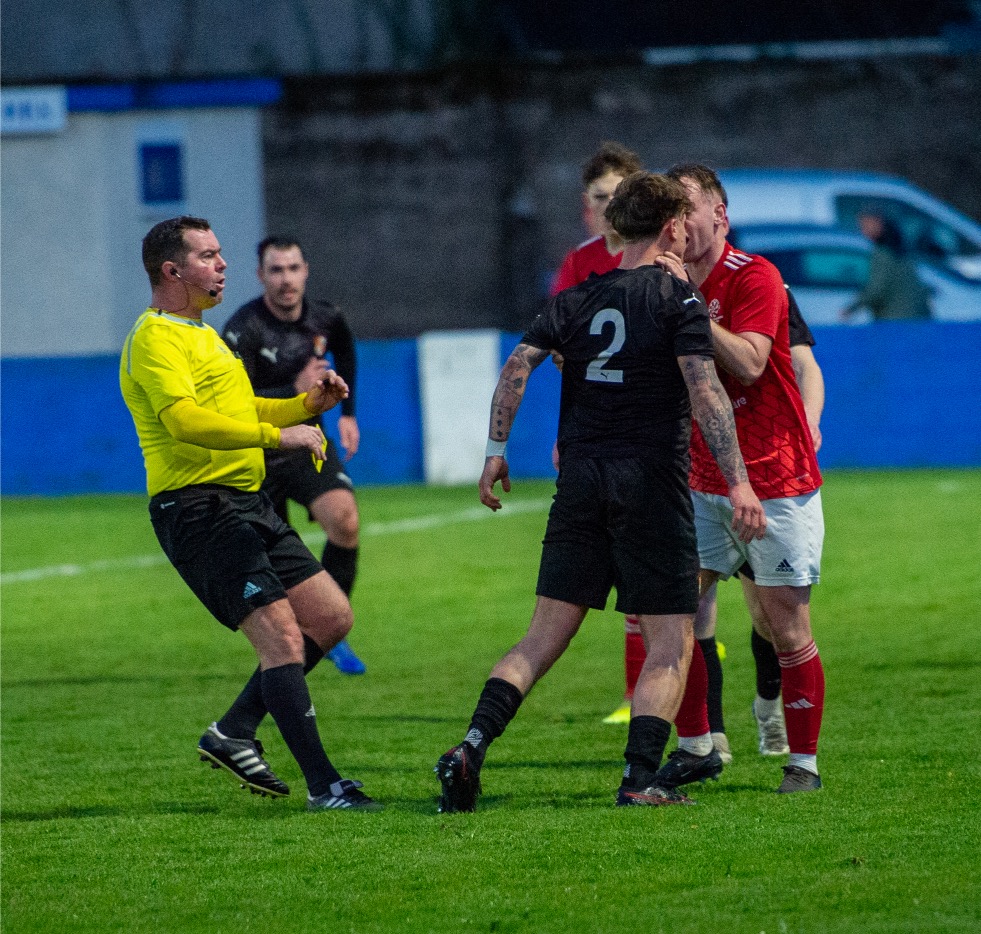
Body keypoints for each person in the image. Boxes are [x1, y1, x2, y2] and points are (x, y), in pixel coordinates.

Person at [434, 172, 766, 812]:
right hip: (653, 484)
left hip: (581, 482)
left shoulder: (576, 299)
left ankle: (471, 746)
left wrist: (495, 453)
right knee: (670, 640)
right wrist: (739, 480)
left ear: (615, 228)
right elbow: (706, 392)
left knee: (539, 639)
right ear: (671, 227)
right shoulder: (679, 299)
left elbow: (515, 368)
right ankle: (641, 778)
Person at [120, 216, 380, 811]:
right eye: (209, 256)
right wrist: (274, 435)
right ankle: (326, 787)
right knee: (284, 641)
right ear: (173, 270)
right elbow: (183, 420)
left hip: (246, 504)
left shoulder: (205, 335)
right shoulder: (155, 338)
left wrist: (304, 405)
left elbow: (244, 403)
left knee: (332, 617)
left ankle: (235, 729)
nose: (222, 265)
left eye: (220, 253)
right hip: (197, 508)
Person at [654, 163, 826, 795]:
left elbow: (752, 364)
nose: (676, 225)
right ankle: (698, 745)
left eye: (687, 210)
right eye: (668, 213)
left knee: (783, 626)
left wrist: (688, 304)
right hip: (700, 479)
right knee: (677, 610)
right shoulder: (662, 282)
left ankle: (802, 764)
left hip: (775, 478)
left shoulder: (756, 276)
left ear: (719, 215)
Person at [221, 236, 366, 676]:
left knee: (345, 521)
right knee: (277, 557)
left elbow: (347, 351)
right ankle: (295, 637)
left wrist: (349, 414)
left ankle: (332, 632)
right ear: (261, 275)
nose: (286, 279)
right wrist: (294, 390)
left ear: (306, 270)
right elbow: (233, 403)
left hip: (307, 444)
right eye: (276, 270)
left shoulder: (326, 316)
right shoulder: (243, 329)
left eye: (293, 268)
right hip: (258, 453)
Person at [550, 141, 643, 297]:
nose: (609, 205)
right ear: (588, 202)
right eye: (600, 197)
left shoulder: (658, 253)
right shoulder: (577, 260)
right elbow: (558, 317)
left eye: (618, 195)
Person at [841, 212, 932, 321]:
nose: (863, 232)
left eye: (865, 226)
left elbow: (877, 289)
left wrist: (851, 308)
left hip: (896, 320)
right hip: (915, 318)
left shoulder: (884, 253)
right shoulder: (900, 249)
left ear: (878, 223)